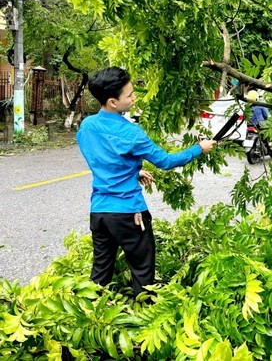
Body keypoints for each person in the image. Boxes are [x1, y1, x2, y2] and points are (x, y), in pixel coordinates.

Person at [76, 67, 217, 296]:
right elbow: (165, 161)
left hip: (99, 212)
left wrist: (133, 171)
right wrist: (198, 148)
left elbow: (103, 158)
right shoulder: (132, 133)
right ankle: (144, 316)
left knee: (100, 273)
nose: (134, 97)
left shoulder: (87, 126)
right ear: (113, 101)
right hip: (129, 213)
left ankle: (88, 313)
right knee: (143, 273)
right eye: (129, 95)